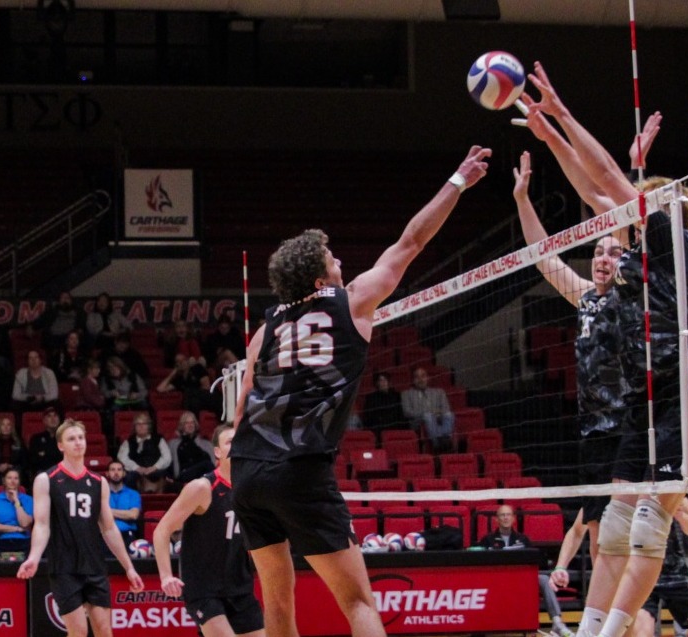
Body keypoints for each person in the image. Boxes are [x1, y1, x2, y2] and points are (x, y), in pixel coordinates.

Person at [231, 145, 491, 637]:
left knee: (278, 604)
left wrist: (235, 470)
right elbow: (411, 241)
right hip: (299, 470)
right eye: (332, 257)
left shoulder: (263, 331)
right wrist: (457, 181)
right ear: (317, 276)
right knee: (359, 602)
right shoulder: (351, 303)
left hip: (248, 469)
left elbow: (244, 403)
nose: (341, 260)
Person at [524, 63, 688, 637]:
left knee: (654, 523)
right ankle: (594, 629)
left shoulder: (669, 236)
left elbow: (606, 180)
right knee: (617, 527)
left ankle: (614, 629)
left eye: (632, 209)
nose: (618, 220)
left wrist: (562, 116)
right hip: (640, 397)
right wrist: (552, 136)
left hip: (681, 385)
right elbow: (596, 191)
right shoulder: (636, 256)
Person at [514, 109, 663, 565]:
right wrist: (522, 198)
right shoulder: (585, 299)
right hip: (592, 431)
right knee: (602, 543)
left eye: (612, 250)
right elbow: (543, 258)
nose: (603, 257)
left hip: (631, 423)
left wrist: (635, 167)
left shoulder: (628, 291)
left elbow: (617, 207)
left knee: (640, 532)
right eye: (597, 250)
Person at [17, 419, 144, 637]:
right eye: (71, 439)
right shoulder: (46, 479)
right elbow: (42, 525)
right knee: (79, 632)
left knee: (105, 631)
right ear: (60, 445)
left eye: (81, 438)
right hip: (64, 566)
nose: (78, 443)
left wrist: (129, 567)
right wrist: (34, 557)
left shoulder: (98, 482)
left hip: (94, 564)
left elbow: (109, 528)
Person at [152, 425, 265, 637]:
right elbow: (162, 530)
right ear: (217, 452)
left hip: (240, 586)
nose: (236, 445)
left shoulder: (251, 491)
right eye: (229, 442)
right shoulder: (202, 488)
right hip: (204, 590)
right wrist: (166, 576)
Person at [476, 505, 573, 637]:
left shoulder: (523, 539)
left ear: (514, 518)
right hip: (496, 580)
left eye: (508, 515)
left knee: (544, 579)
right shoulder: (487, 540)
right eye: (502, 515)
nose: (505, 517)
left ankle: (557, 622)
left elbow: (533, 560)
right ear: (496, 519)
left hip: (521, 578)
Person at [631, 497, 688, 637]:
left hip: (677, 576)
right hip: (643, 576)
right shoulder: (631, 498)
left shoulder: (680, 499)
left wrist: (681, 516)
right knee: (642, 630)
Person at [400, 366, 455, 452]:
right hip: (418, 422)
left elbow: (446, 409)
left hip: (438, 418)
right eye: (417, 377)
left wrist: (436, 413)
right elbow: (407, 412)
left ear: (427, 378)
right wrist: (426, 413)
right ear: (413, 380)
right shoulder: (406, 394)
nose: (420, 379)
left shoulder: (439, 392)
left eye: (423, 376)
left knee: (449, 414)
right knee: (428, 416)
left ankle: (444, 439)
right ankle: (437, 443)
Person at [117, 412, 171, 493]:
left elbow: (167, 457)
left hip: (155, 470)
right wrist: (137, 468)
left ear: (149, 426)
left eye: (144, 424)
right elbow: (122, 457)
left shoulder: (158, 439)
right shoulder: (129, 441)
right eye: (138, 424)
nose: (141, 426)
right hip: (136, 472)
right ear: (134, 427)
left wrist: (154, 467)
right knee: (129, 478)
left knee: (164, 477)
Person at [0, 468, 34, 554]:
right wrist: (16, 529)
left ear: (19, 481)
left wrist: (16, 501)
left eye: (16, 478)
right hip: (1, 541)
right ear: (4, 481)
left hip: (23, 541)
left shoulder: (28, 500)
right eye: (9, 478)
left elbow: (25, 523)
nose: (13, 481)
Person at [167, 410, 215, 487]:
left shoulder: (206, 444)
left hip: (202, 477)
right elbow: (169, 463)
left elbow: (213, 464)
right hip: (183, 476)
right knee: (206, 464)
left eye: (192, 422)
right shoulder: (174, 444)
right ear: (182, 426)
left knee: (207, 465)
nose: (190, 425)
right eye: (187, 423)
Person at [105, 460, 141, 546]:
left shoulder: (133, 494)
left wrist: (106, 511)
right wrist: (125, 514)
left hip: (127, 534)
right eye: (112, 470)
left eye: (119, 470)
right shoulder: (100, 493)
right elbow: (97, 514)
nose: (116, 473)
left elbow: (133, 515)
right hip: (105, 535)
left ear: (124, 473)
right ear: (107, 473)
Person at [28, 406, 64, 478]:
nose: (53, 419)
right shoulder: (36, 439)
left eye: (55, 415)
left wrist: (46, 454)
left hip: (61, 472)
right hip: (43, 473)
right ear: (44, 421)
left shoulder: (64, 437)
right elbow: (34, 461)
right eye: (49, 416)